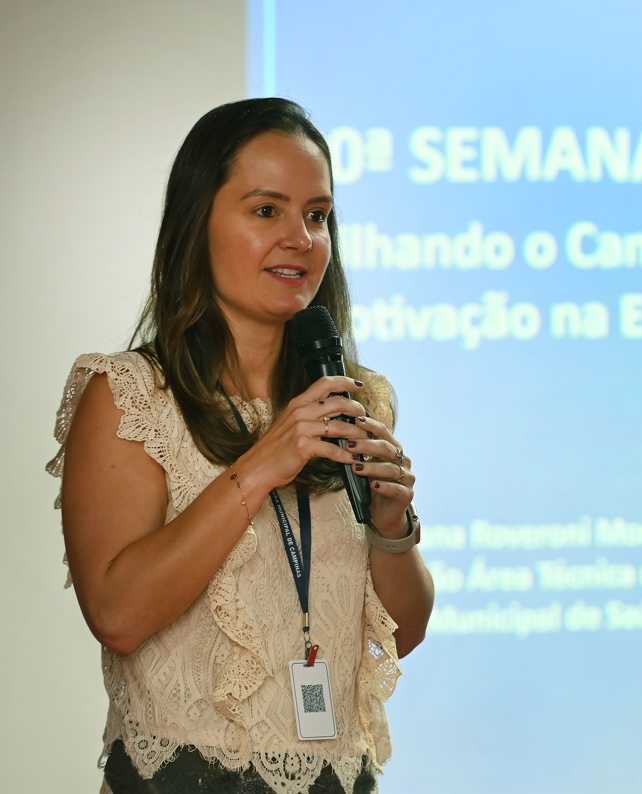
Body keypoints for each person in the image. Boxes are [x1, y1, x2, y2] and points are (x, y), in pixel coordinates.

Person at [46, 97, 434, 794]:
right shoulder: (130, 396)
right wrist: (262, 464)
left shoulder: (356, 399)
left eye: (317, 216)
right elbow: (118, 616)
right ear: (199, 224)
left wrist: (392, 528)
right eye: (267, 212)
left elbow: (401, 635)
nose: (301, 238)